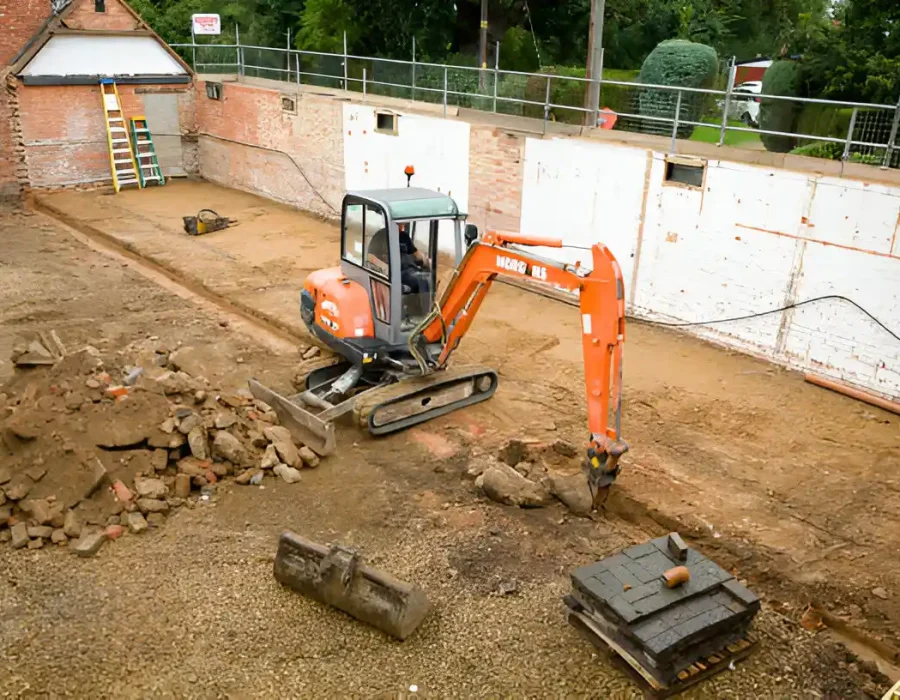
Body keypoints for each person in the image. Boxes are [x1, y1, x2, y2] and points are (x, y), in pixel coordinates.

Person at [397, 222, 430, 294]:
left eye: (403, 224)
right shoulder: (381, 237)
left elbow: (416, 254)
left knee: (428, 278)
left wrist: (426, 260)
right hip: (398, 272)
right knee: (424, 280)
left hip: (409, 270)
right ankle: (426, 304)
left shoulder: (403, 236)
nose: (402, 226)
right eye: (400, 224)